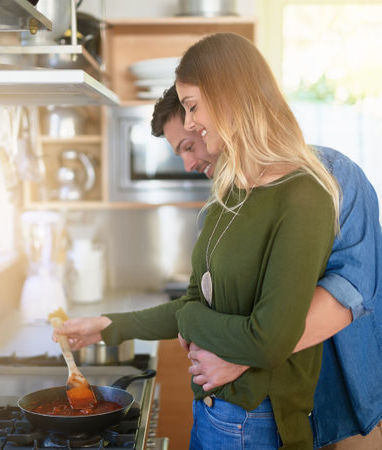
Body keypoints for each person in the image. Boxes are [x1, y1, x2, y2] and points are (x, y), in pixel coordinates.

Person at [55, 32, 342, 449]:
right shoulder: (231, 198)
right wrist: (108, 326)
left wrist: (191, 321)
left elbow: (268, 342)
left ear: (230, 95)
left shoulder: (303, 195)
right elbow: (196, 300)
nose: (190, 124)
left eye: (192, 109)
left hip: (257, 420)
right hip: (211, 412)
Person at [151, 85, 382, 449]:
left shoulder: (332, 175)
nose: (191, 163)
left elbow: (351, 288)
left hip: (349, 403)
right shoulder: (216, 212)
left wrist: (241, 357)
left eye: (192, 141)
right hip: (270, 412)